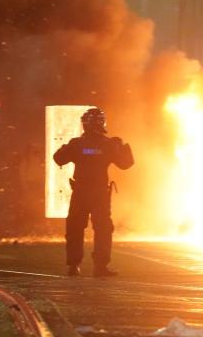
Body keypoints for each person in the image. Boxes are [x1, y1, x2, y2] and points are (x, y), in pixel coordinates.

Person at [53, 107, 133, 277]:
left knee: (75, 227)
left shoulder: (77, 144)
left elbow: (58, 158)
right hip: (99, 194)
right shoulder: (109, 144)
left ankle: (74, 266)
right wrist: (124, 147)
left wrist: (67, 147)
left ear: (85, 124)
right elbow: (126, 164)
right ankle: (100, 267)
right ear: (102, 123)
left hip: (80, 192)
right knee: (103, 229)